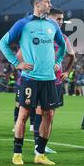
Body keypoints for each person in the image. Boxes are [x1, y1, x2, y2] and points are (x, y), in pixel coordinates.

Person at [0, 0, 65, 166]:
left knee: (48, 114)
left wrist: (58, 60)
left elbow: (63, 45)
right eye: (47, 2)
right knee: (25, 114)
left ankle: (40, 154)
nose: (50, 5)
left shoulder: (53, 25)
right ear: (37, 4)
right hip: (30, 78)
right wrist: (16, 63)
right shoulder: (23, 24)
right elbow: (3, 43)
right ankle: (17, 153)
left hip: (49, 78)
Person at [31, 8, 75, 155]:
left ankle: (43, 144)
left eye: (62, 19)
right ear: (49, 19)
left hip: (56, 82)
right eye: (58, 19)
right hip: (40, 80)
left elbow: (72, 56)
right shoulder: (40, 35)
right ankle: (37, 146)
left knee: (51, 114)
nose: (61, 22)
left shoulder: (63, 38)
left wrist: (67, 71)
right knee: (40, 111)